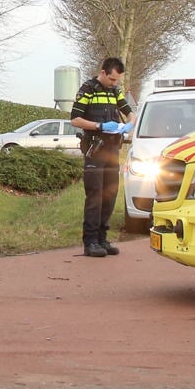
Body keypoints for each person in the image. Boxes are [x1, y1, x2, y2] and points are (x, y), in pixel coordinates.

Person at [68, 57, 133, 258]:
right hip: (95, 149)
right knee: (95, 196)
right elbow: (75, 120)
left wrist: (129, 124)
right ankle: (91, 242)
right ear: (103, 72)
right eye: (112, 79)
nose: (115, 83)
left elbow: (131, 113)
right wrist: (99, 126)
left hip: (113, 150)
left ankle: (103, 239)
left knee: (110, 195)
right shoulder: (88, 89)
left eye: (117, 80)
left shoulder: (115, 92)